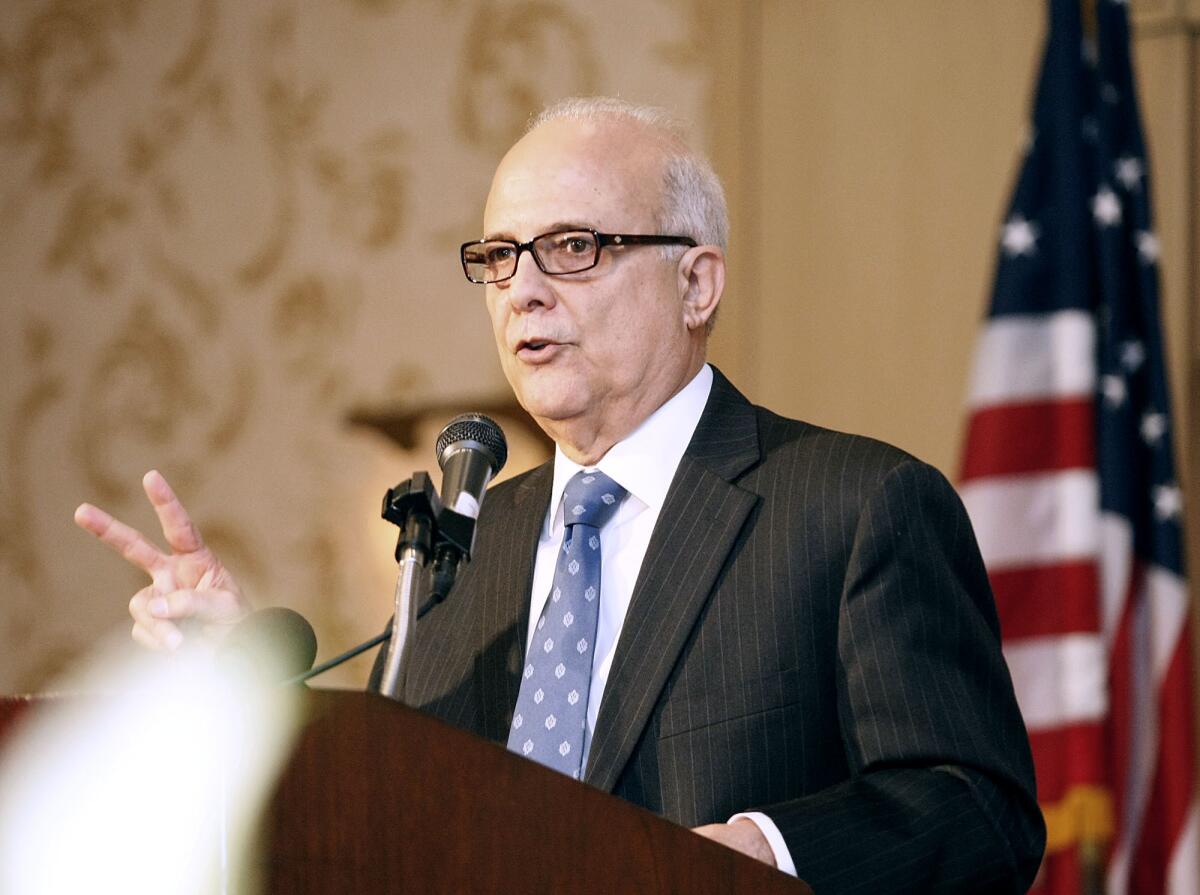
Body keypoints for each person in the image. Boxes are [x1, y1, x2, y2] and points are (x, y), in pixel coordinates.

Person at [75, 97, 1045, 891]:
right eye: (498, 256)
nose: (522, 290)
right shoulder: (461, 544)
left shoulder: (856, 505)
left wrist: (759, 849)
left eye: (572, 247)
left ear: (696, 282)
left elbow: (977, 808)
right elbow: (380, 816)